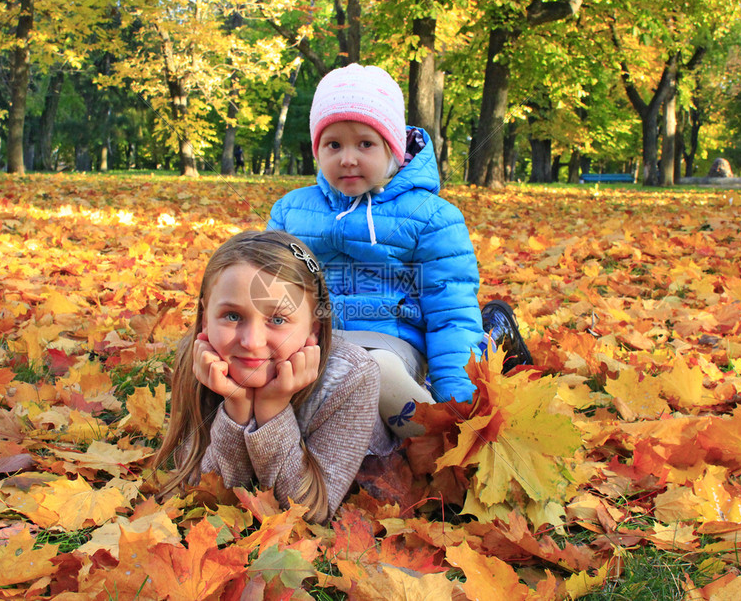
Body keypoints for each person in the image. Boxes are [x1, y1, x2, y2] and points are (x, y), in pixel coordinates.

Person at [267, 63, 532, 438]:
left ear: (393, 148)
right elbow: (270, 290)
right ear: (317, 150)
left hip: (393, 345)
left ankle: (442, 436)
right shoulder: (292, 211)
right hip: (313, 344)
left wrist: (457, 399)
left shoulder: (431, 217)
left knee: (374, 372)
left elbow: (449, 313)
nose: (347, 158)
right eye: (333, 144)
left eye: (365, 143)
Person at [153, 230, 396, 523]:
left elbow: (311, 512)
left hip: (377, 444)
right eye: (232, 316)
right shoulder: (197, 357)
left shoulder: (352, 376)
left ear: (313, 328)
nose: (252, 342)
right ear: (205, 316)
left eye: (278, 320)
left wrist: (273, 409)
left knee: (391, 374)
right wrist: (236, 408)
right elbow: (203, 495)